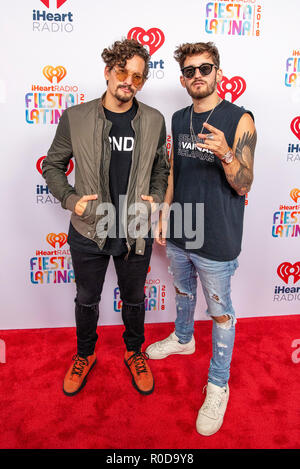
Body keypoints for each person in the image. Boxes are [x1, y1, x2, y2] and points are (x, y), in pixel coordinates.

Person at [42, 38, 169, 397]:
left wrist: (156, 198)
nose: (129, 81)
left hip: (134, 231)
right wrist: (70, 199)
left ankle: (134, 352)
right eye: (122, 72)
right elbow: (53, 165)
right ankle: (85, 354)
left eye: (138, 77)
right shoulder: (76, 117)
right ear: (108, 72)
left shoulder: (155, 120)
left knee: (134, 299)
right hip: (88, 230)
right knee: (86, 298)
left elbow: (162, 169)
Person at [146, 42, 256, 435]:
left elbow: (245, 183)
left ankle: (218, 384)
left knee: (221, 314)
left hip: (218, 239)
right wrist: (163, 215)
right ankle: (183, 338)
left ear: (218, 74)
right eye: (190, 71)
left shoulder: (239, 119)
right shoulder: (178, 119)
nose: (198, 76)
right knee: (183, 293)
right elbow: (174, 173)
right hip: (179, 231)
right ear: (182, 79)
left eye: (205, 68)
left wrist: (227, 154)